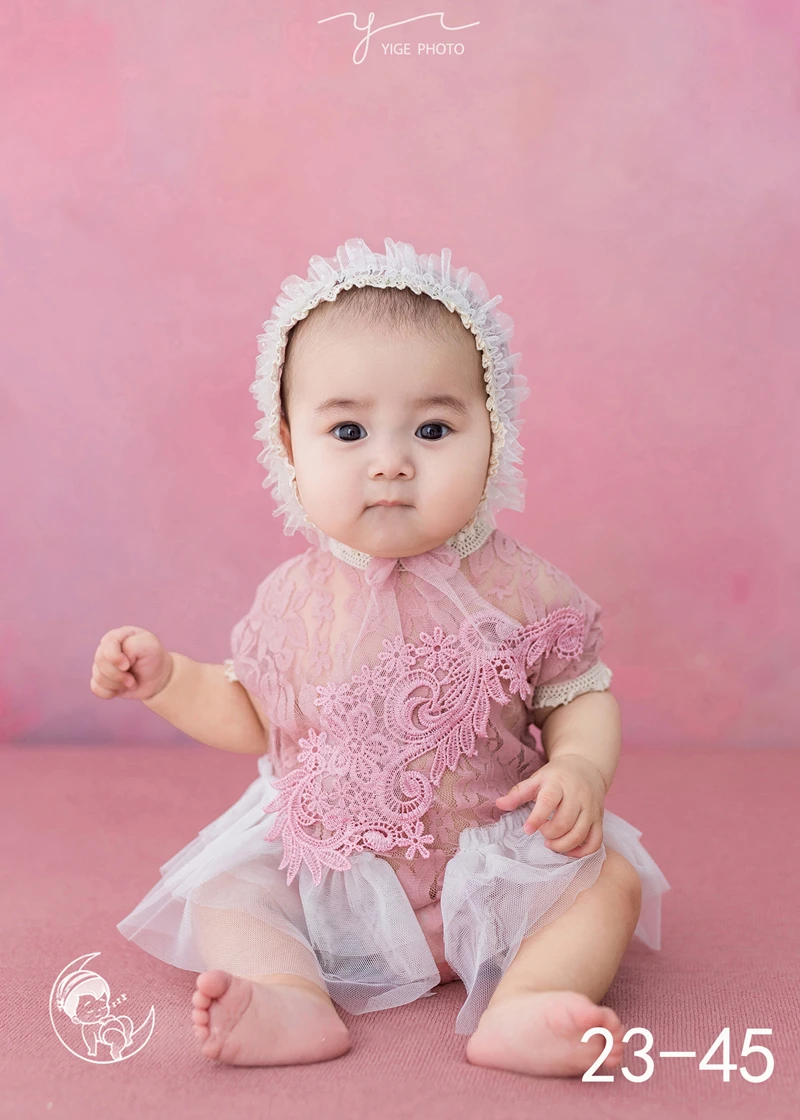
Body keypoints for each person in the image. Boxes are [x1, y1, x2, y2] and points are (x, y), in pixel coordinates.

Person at [91, 237, 670, 1077]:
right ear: (290, 446)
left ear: (493, 435)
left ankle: (525, 1002)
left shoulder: (519, 589)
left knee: (607, 882)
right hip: (334, 876)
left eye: (433, 428)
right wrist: (171, 680)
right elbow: (250, 712)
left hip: (493, 872)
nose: (392, 461)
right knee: (224, 889)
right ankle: (289, 998)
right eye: (350, 429)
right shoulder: (294, 600)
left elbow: (578, 691)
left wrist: (581, 766)